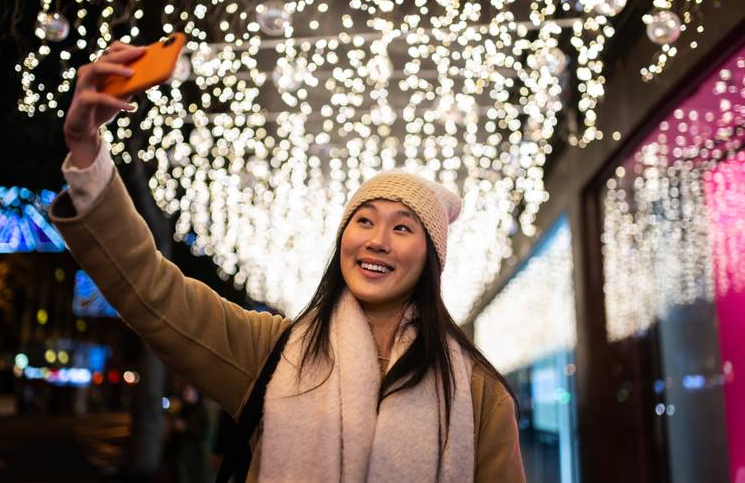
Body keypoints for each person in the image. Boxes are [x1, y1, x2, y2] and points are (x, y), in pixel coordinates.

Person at [50, 41, 525, 482]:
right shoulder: (271, 352)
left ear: (433, 257)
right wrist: (87, 149)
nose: (377, 241)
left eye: (402, 227)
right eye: (364, 221)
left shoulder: (478, 395)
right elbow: (150, 290)